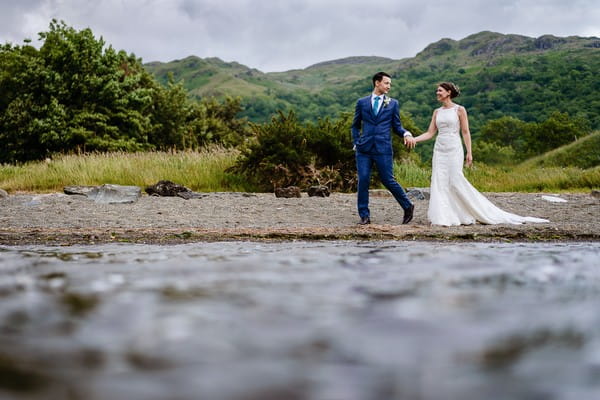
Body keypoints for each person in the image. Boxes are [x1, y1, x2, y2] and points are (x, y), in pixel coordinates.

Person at [404, 82, 549, 226]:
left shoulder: (459, 110)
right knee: (439, 180)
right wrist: (413, 139)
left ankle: (476, 210)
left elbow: (465, 132)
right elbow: (430, 133)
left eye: (440, 90)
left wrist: (469, 152)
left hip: (454, 148)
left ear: (448, 92)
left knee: (455, 179)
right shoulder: (437, 112)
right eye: (437, 90)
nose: (437, 93)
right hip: (439, 150)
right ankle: (445, 215)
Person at [351, 72, 415, 225]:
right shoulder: (362, 102)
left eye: (389, 84)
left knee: (387, 179)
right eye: (386, 83)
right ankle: (364, 216)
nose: (389, 86)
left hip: (383, 147)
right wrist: (356, 142)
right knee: (364, 179)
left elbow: (397, 126)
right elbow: (355, 125)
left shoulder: (393, 103)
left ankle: (408, 206)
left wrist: (406, 133)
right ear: (377, 83)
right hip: (364, 149)